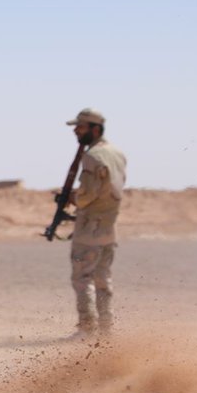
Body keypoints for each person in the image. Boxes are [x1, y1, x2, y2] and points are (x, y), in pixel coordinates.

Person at [66, 108, 127, 335]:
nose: (76, 131)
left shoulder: (92, 156)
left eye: (80, 127)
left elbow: (88, 194)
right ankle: (106, 329)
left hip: (90, 228)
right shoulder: (117, 153)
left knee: (83, 278)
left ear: (95, 128)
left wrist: (72, 197)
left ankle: (87, 329)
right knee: (103, 279)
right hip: (109, 227)